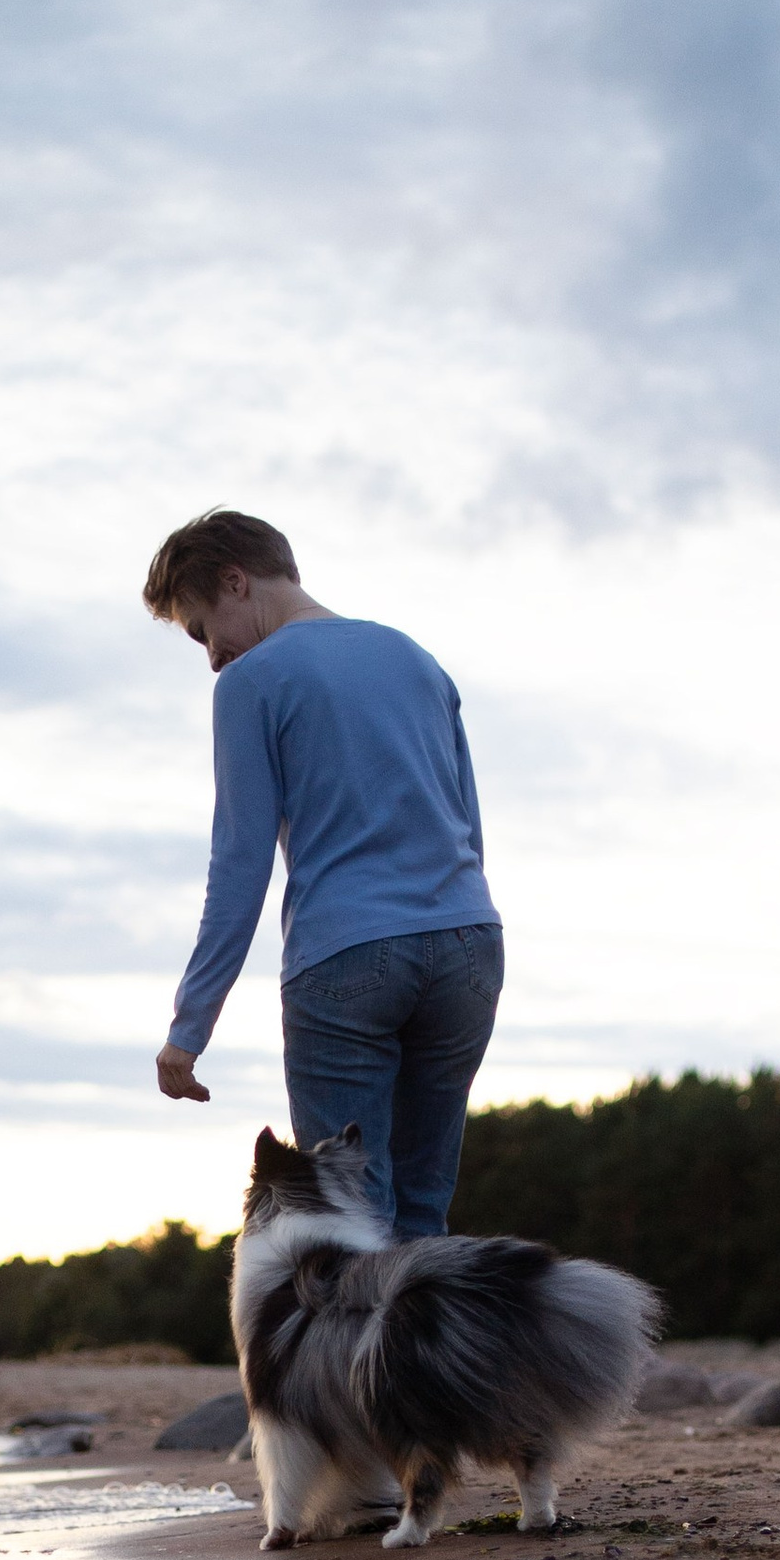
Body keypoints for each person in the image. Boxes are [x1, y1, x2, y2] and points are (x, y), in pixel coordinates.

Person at [145, 509, 504, 1240]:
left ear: (234, 581)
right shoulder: (416, 658)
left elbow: (240, 863)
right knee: (424, 1208)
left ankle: (360, 1358)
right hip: (468, 945)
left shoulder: (252, 682)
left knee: (351, 1217)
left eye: (201, 629)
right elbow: (466, 822)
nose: (212, 655)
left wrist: (189, 1027)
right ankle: (416, 1359)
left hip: (348, 959)